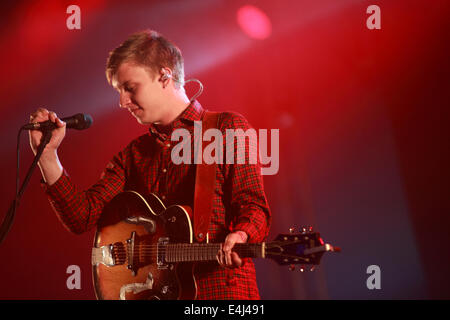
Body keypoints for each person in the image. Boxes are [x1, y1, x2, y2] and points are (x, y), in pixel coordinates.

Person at [29, 30, 271, 299]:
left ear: (164, 76)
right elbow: (81, 217)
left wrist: (242, 234)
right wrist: (48, 156)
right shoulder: (133, 155)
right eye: (120, 91)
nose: (122, 102)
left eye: (130, 88)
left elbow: (253, 206)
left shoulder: (227, 128)